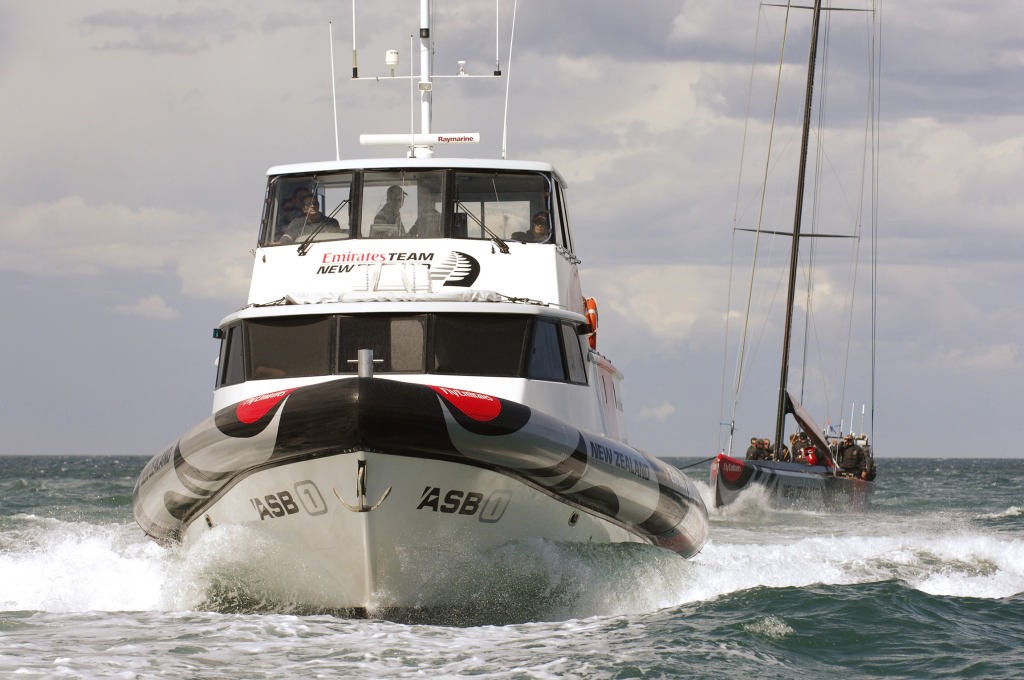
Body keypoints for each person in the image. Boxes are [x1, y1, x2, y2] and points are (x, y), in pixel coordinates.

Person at [278, 195, 342, 243]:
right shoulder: (296, 223)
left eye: (315, 203)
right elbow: (286, 240)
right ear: (303, 209)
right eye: (309, 204)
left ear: (318, 206)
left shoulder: (331, 222)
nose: (313, 206)